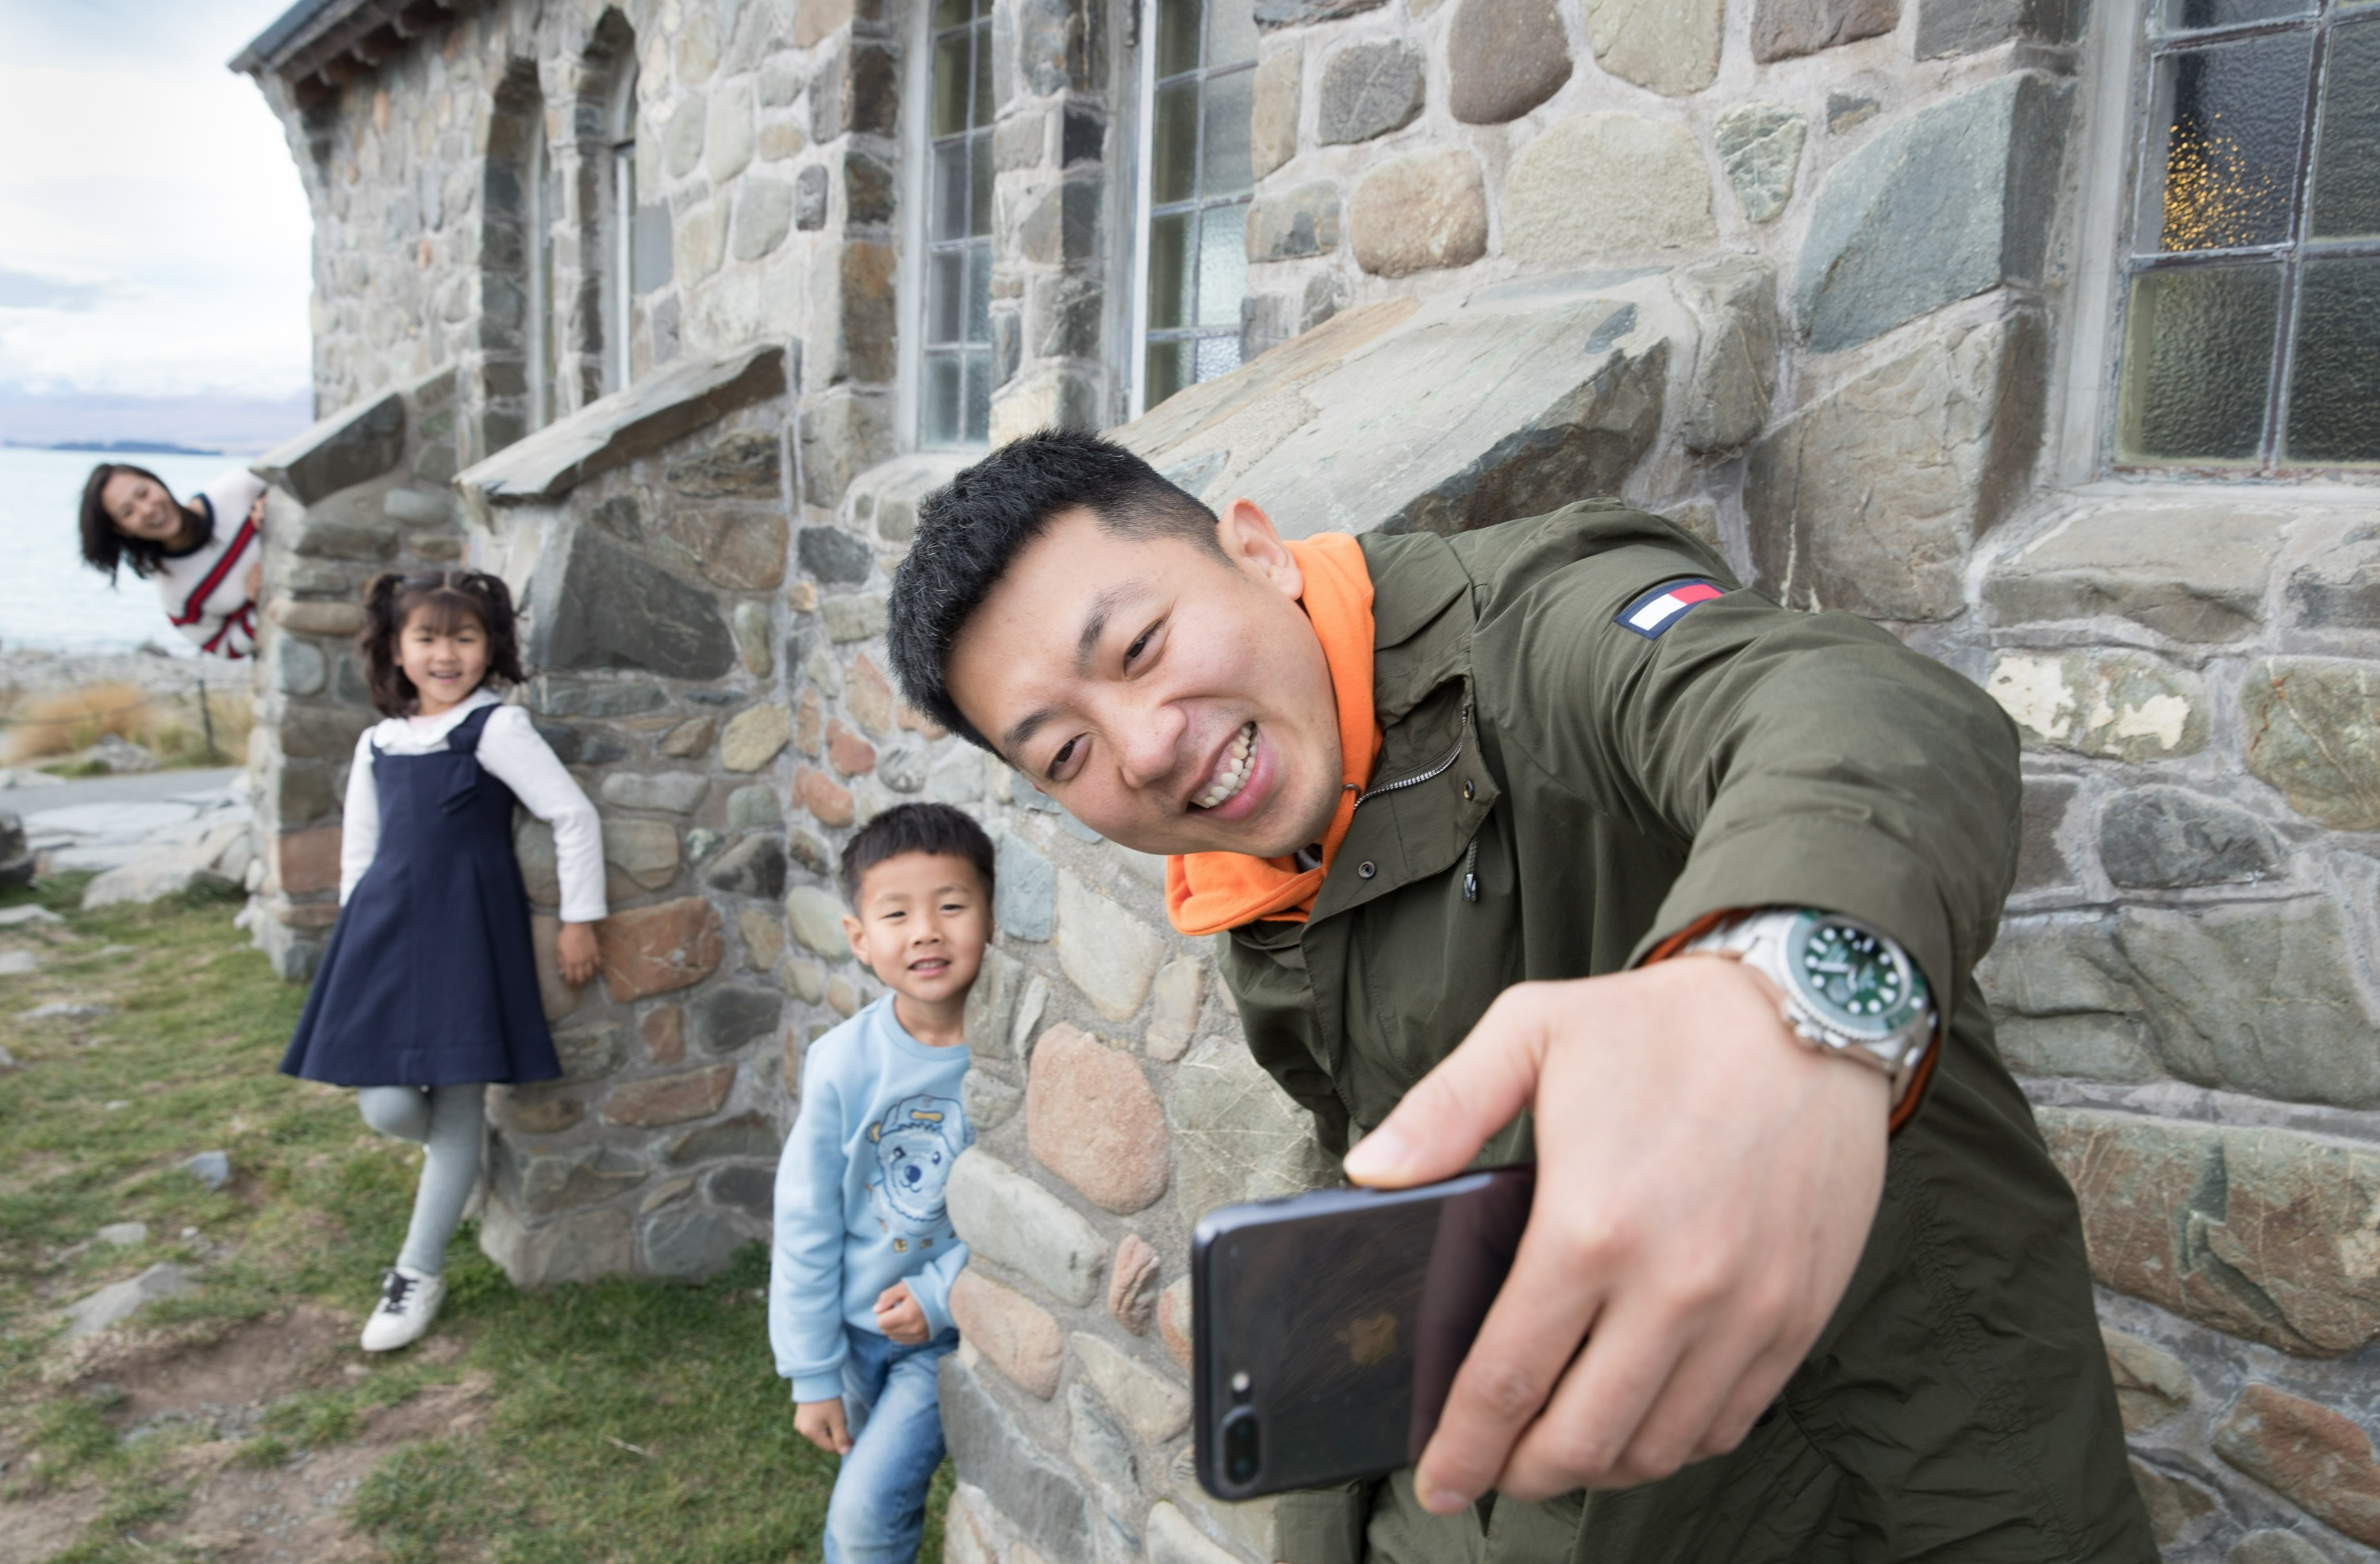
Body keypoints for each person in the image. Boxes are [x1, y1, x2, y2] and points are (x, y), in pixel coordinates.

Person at [884, 432, 2154, 1564]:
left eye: (1143, 646)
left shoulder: (1543, 628)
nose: (1146, 746)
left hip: (1884, 1460)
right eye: (1067, 751)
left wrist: (1781, 992)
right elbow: (1381, 1167)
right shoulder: (1254, 867)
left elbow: (1845, 708)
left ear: (1258, 551)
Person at [279, 571, 605, 1352]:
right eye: (427, 637)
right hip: (384, 939)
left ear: (489, 646)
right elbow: (361, 853)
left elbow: (572, 814)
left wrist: (579, 919)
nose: (446, 653)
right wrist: (354, 948)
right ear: (396, 648)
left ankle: (416, 1273)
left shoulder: (495, 729)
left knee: (456, 1104)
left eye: (464, 637)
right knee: (387, 1104)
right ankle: (453, 1165)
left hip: (468, 939)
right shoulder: (378, 742)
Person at [770, 802, 991, 1564]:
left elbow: (1010, 1212)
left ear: (992, 915)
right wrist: (811, 1370)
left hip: (942, 1338)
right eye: (896, 913)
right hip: (848, 1334)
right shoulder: (841, 1063)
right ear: (861, 940)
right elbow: (804, 1221)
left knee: (864, 1517)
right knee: (877, 1496)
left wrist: (938, 1294)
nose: (926, 930)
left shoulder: (1011, 1062)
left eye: (952, 905)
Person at [77, 461, 268, 658]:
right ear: (121, 529)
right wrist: (258, 606)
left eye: (143, 493)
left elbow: (295, 474)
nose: (147, 510)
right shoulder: (175, 593)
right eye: (128, 512)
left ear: (157, 481)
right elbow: (222, 647)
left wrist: (277, 504)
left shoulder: (238, 489)